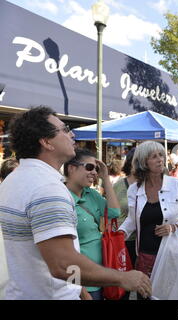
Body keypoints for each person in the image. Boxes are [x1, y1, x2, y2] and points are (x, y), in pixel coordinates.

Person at [0, 106, 151, 300]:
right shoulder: (46, 188)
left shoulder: (15, 180)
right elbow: (62, 264)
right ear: (46, 142)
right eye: (64, 129)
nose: (71, 134)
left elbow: (45, 259)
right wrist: (122, 278)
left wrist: (79, 290)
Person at [118, 141, 178, 300]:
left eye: (161, 155)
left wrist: (174, 227)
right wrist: (120, 233)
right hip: (145, 256)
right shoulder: (134, 189)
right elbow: (132, 220)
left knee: (169, 296)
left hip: (171, 254)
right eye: (154, 156)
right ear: (143, 162)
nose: (160, 159)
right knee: (145, 296)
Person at [64, 148, 121, 300]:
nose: (95, 173)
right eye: (89, 167)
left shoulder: (91, 194)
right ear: (71, 168)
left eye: (96, 169)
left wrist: (106, 178)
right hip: (83, 283)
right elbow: (65, 253)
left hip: (102, 276)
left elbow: (115, 212)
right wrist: (80, 289)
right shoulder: (62, 199)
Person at [113, 148, 137, 276]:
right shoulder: (118, 185)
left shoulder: (148, 185)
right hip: (123, 240)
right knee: (123, 284)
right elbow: (112, 211)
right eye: (136, 161)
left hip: (143, 241)